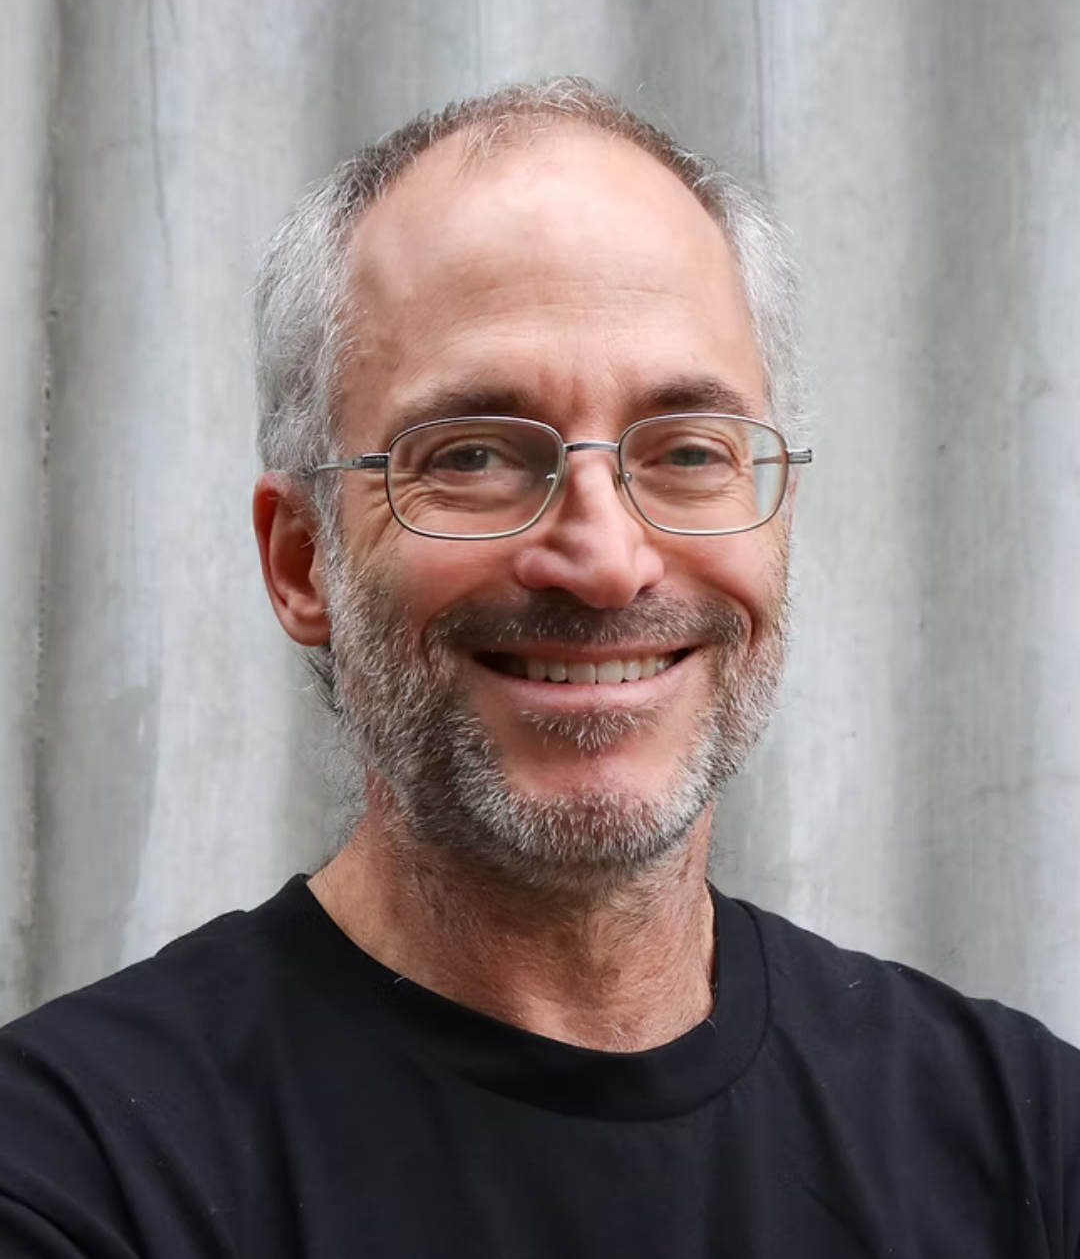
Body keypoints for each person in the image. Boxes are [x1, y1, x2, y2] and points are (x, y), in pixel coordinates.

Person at [1, 77, 1077, 1258]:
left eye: (687, 450)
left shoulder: (1025, 1150)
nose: (607, 560)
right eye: (470, 452)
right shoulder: (76, 1180)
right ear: (302, 559)